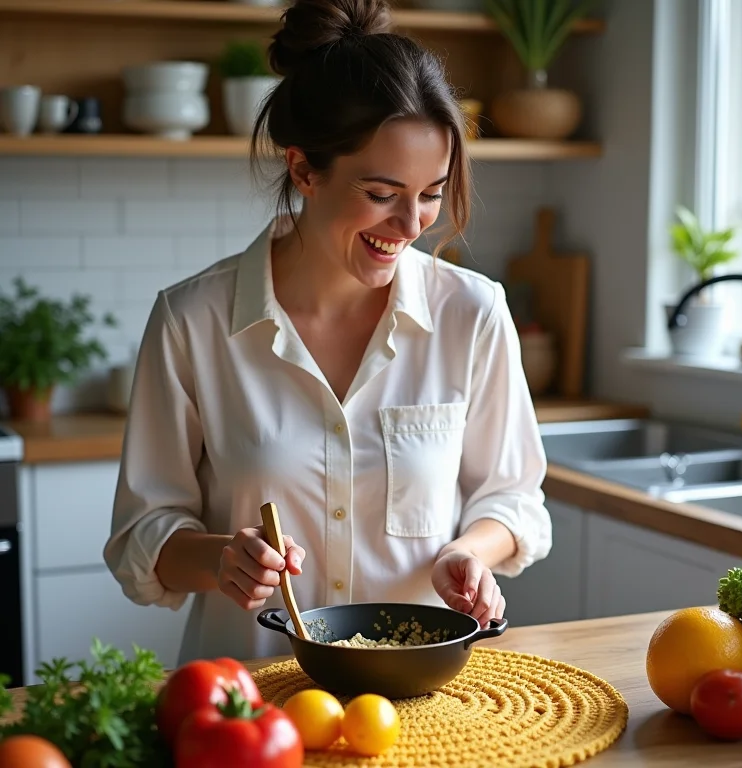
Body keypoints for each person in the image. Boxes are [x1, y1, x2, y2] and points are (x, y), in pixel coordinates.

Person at [104, 0, 552, 665]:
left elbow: (513, 500)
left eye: (432, 192)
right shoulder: (192, 321)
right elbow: (143, 535)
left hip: (417, 704)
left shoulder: (473, 313)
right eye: (381, 192)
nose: (412, 223)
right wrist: (219, 558)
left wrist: (470, 551)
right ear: (304, 169)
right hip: (249, 702)